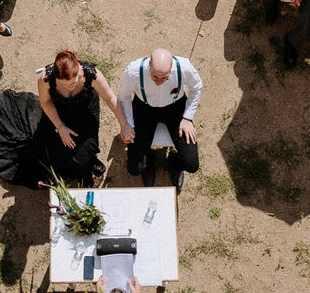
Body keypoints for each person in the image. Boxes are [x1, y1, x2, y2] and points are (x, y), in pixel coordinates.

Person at [26, 50, 124, 185]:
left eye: (73, 82)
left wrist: (124, 125)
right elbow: (46, 102)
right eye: (64, 84)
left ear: (78, 69)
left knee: (84, 154)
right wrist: (60, 127)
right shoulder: (45, 79)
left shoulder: (92, 74)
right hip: (59, 113)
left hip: (85, 113)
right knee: (55, 153)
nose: (69, 87)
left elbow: (111, 98)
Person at [119, 48, 202, 188]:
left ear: (171, 68)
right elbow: (123, 96)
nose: (159, 81)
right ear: (149, 65)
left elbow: (196, 88)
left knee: (191, 164)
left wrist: (187, 118)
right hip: (144, 110)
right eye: (155, 76)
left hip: (175, 109)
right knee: (135, 168)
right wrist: (129, 123)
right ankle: (148, 159)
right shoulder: (133, 71)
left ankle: (174, 161)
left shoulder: (184, 67)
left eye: (164, 77)